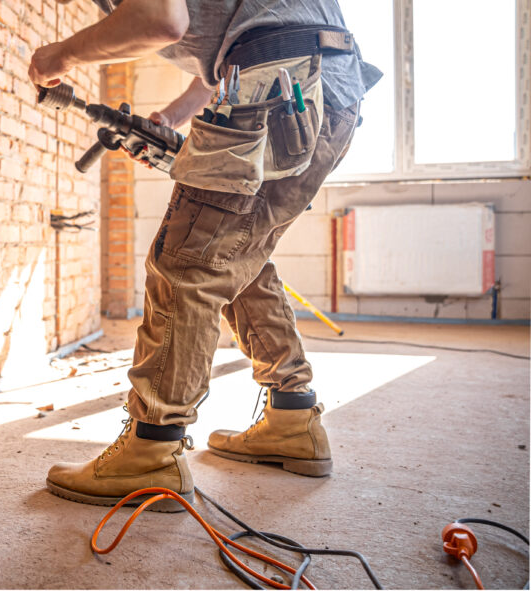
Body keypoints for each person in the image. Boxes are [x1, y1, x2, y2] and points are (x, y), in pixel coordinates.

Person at [29, 0, 381, 511]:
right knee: (238, 255)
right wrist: (172, 117)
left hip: (280, 85)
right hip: (324, 89)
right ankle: (291, 418)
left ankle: (151, 450)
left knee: (187, 265)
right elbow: (222, 56)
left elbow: (159, 21)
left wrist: (60, 55)